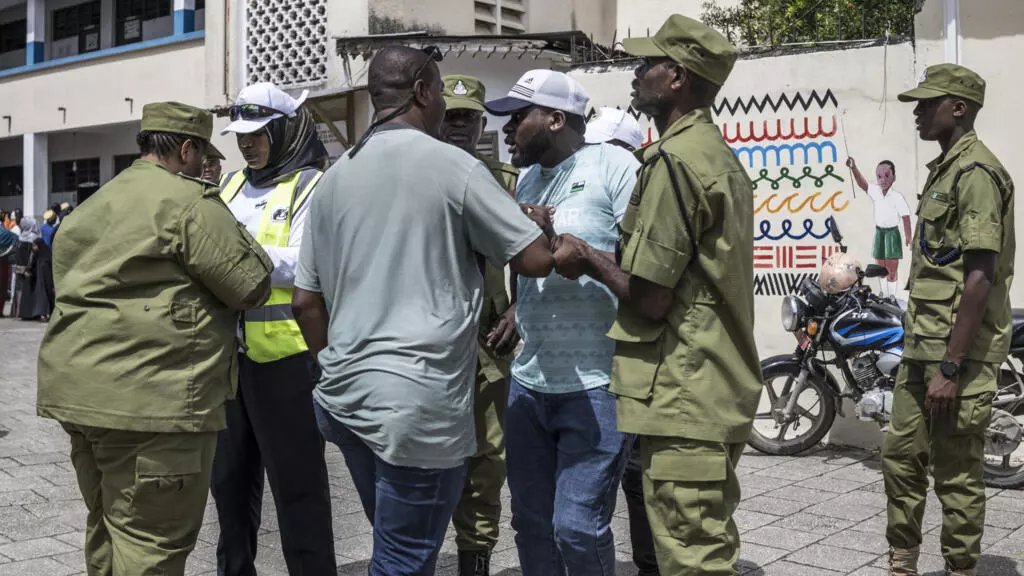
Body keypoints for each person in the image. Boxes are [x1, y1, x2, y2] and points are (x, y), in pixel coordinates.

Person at [292, 45, 555, 576]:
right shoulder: (454, 167)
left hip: (345, 400)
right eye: (439, 95)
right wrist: (545, 229)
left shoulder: (334, 178)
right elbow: (534, 260)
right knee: (403, 560)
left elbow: (305, 302)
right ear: (421, 92)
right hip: (417, 406)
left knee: (398, 541)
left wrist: (333, 362)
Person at [551, 15, 761, 575]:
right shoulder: (712, 155)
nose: (636, 72)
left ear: (677, 77)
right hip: (709, 384)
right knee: (700, 545)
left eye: (648, 63)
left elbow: (650, 297)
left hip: (686, 389)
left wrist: (587, 256)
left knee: (692, 557)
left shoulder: (675, 161)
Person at [35, 102, 273, 576]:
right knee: (151, 546)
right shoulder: (188, 203)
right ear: (186, 150)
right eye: (203, 155)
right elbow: (250, 284)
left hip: (79, 396)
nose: (204, 165)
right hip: (153, 403)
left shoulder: (92, 205)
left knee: (107, 528)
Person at [483, 69, 638, 576]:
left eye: (517, 117)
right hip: (530, 382)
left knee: (577, 527)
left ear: (555, 119)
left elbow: (643, 272)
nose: (508, 129)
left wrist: (580, 251)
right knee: (531, 524)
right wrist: (516, 305)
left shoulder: (616, 166)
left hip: (599, 382)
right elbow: (528, 266)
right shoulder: (527, 179)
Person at [883, 64, 1014, 576]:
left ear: (957, 108)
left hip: (959, 357)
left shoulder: (976, 173)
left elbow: (980, 275)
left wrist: (952, 366)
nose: (917, 111)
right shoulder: (946, 169)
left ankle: (960, 568)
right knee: (900, 458)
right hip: (922, 345)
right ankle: (902, 563)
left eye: (927, 102)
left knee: (956, 473)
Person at [211, 81, 337, 576]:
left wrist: (231, 257)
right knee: (229, 485)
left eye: (258, 133)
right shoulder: (229, 186)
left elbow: (306, 263)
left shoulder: (311, 186)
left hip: (288, 363)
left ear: (285, 130)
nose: (247, 144)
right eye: (241, 136)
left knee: (298, 488)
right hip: (230, 363)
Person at [439, 73, 520, 576]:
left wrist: (519, 309)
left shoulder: (505, 181)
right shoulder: (416, 176)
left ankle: (476, 556)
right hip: (428, 339)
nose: (459, 126)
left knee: (487, 457)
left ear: (480, 124)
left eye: (468, 118)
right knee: (427, 453)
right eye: (450, 116)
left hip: (487, 342)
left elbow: (534, 252)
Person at [584, 108, 659, 576]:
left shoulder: (637, 186)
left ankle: (649, 565)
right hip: (594, 357)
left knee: (636, 470)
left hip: (632, 353)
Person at [845, 157, 913, 298]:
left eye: (887, 175)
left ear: (894, 177)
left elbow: (906, 217)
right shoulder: (875, 191)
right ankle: (884, 293)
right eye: (879, 176)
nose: (883, 180)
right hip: (879, 233)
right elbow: (862, 183)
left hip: (892, 233)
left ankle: (892, 295)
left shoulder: (897, 197)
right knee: (880, 267)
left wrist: (908, 236)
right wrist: (853, 168)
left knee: (892, 268)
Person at [15, 217, 51, 321]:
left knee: (24, 291)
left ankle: (23, 312)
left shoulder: (21, 236)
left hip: (20, 268)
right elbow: (32, 255)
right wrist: (30, 268)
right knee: (33, 290)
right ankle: (33, 313)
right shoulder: (33, 237)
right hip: (32, 269)